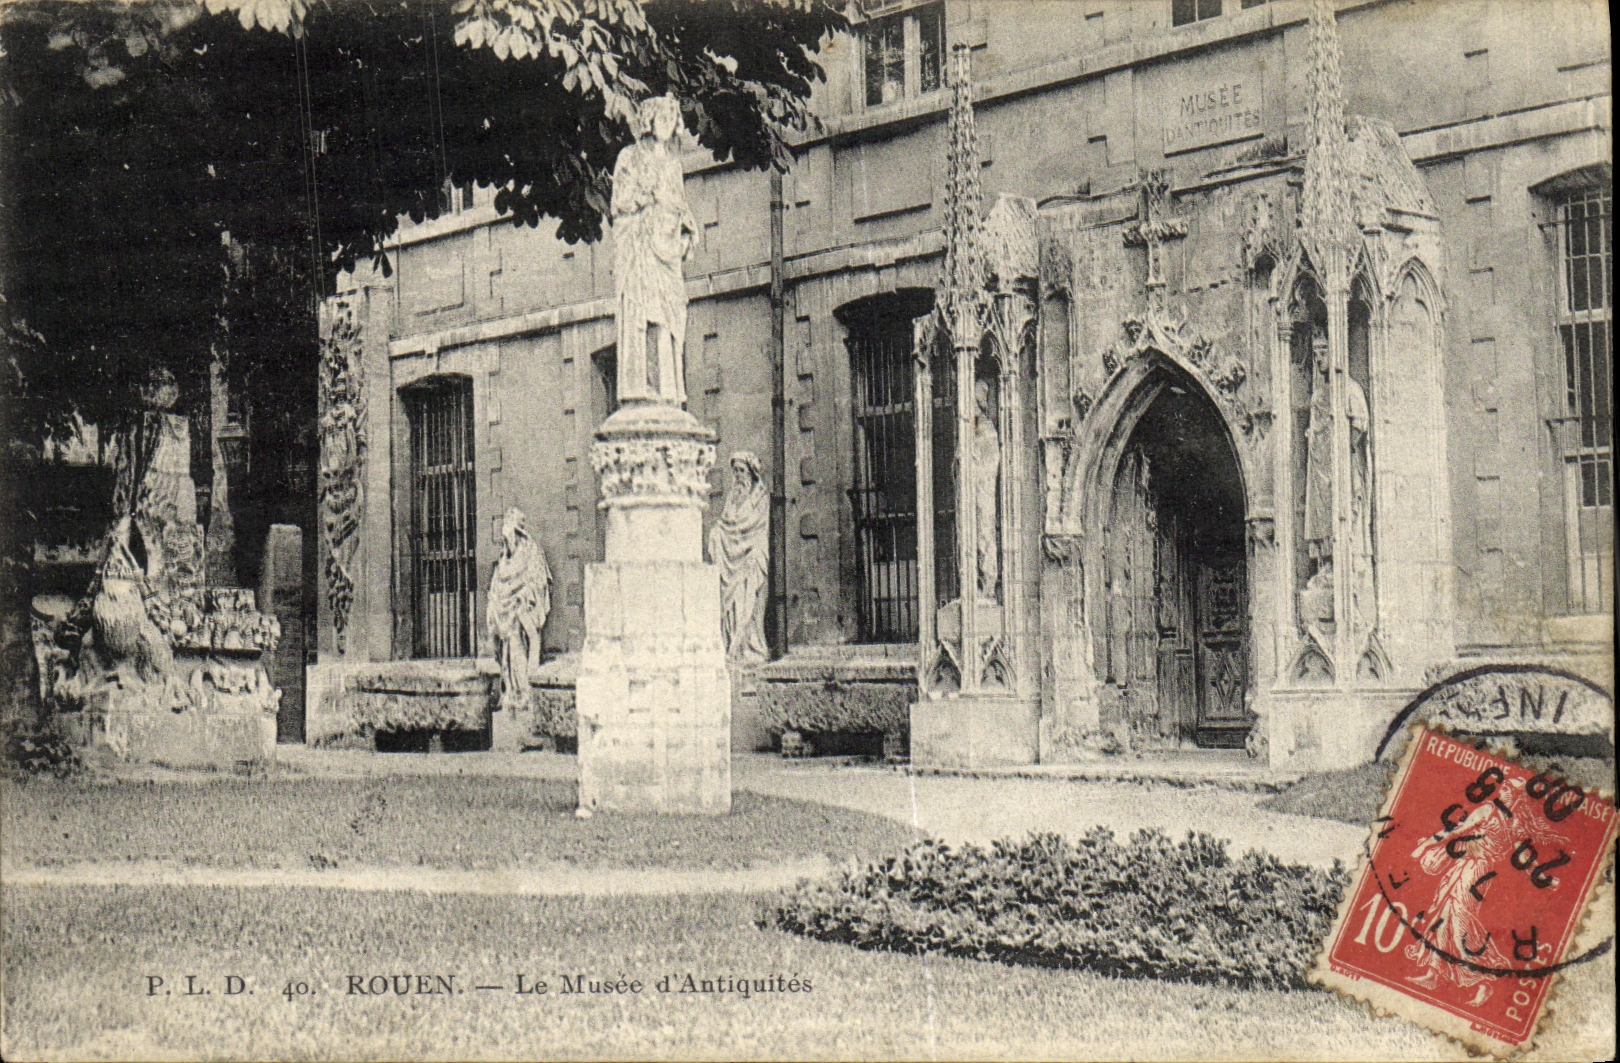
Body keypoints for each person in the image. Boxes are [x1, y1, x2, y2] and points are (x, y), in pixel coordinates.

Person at [611, 95, 699, 406]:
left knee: (669, 317)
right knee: (643, 316)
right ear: (649, 121)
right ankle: (642, 387)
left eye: (672, 119)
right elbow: (619, 204)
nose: (668, 125)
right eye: (662, 118)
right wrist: (647, 199)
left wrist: (688, 231)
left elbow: (682, 208)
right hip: (640, 249)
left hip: (668, 250)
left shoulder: (674, 165)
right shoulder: (629, 157)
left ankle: (669, 390)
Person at [486, 508, 551, 712]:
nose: (508, 541)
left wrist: (525, 597)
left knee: (517, 647)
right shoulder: (504, 560)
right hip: (505, 615)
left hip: (520, 611)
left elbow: (537, 580)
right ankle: (512, 694)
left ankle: (524, 692)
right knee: (506, 655)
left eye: (510, 534)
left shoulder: (530, 552)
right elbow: (497, 584)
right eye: (505, 537)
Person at [708, 452, 769, 664]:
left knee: (748, 595)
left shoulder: (760, 498)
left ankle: (749, 646)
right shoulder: (732, 499)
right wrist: (718, 534)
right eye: (735, 471)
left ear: (751, 474)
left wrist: (746, 546)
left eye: (741, 471)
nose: (738, 476)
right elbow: (725, 524)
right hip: (731, 558)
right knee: (730, 604)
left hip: (752, 555)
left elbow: (756, 526)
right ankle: (732, 645)